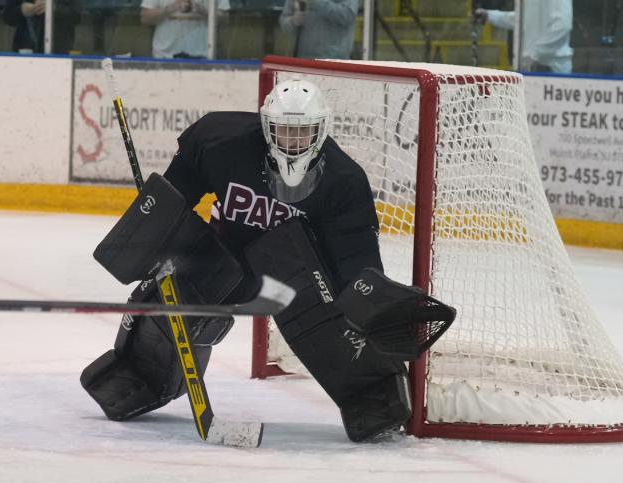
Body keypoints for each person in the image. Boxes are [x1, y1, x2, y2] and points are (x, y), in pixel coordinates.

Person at [81, 80, 453, 442]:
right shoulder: (219, 142)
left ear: (321, 130)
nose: (292, 143)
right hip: (225, 254)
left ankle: (373, 391)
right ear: (266, 126)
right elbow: (177, 196)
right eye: (283, 131)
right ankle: (140, 373)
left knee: (334, 320)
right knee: (174, 293)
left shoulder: (342, 181)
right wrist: (156, 233)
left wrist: (371, 302)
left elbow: (353, 262)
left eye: (303, 133)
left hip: (296, 275)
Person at [474, 0, 573, 73]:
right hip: (529, 66)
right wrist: (490, 16)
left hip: (550, 69)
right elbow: (522, 19)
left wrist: (533, 54)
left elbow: (562, 25)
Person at [140, 0, 229, 59]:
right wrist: (169, 9)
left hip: (203, 55)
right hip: (164, 56)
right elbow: (145, 18)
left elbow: (225, 20)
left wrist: (205, 12)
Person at [279, 0, 359, 60]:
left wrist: (316, 2)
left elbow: (347, 16)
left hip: (334, 61)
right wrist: (293, 21)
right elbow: (284, 22)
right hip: (303, 60)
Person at [3, 0, 81, 53]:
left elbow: (76, 16)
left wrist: (53, 8)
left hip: (59, 51)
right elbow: (8, 17)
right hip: (24, 51)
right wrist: (21, 10)